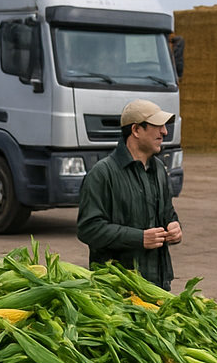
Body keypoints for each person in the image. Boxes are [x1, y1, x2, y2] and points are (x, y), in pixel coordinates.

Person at [76, 99, 182, 290]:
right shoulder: (102, 173)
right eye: (157, 126)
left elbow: (168, 213)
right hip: (117, 290)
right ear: (136, 130)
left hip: (157, 287)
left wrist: (174, 227)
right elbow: (88, 229)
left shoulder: (158, 168)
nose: (164, 132)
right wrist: (138, 238)